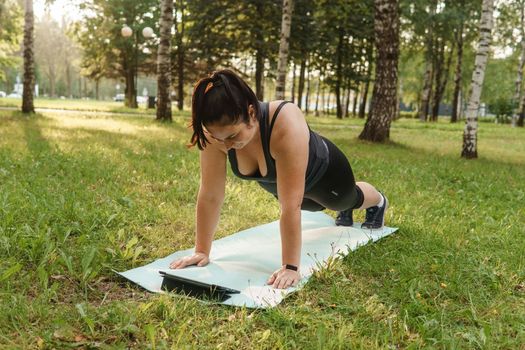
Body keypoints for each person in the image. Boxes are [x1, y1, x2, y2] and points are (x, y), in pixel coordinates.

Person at [170, 69, 388, 289]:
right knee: (313, 207)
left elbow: (290, 204)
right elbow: (210, 194)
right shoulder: (214, 135)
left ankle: (378, 201)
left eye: (233, 136)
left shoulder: (285, 119)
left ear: (252, 113)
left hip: (326, 173)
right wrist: (201, 250)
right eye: (220, 138)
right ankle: (343, 208)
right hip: (291, 189)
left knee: (345, 201)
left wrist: (290, 267)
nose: (226, 145)